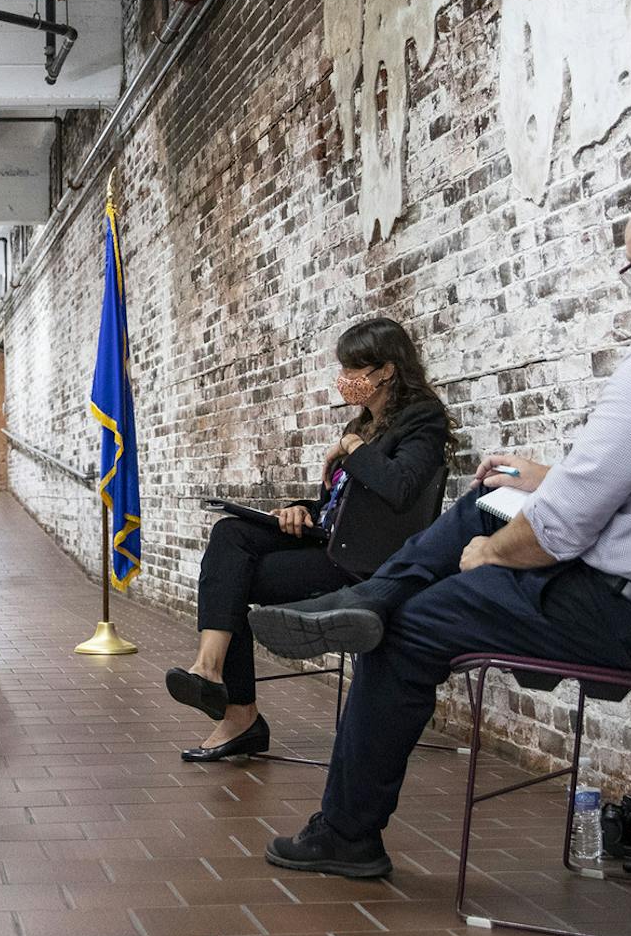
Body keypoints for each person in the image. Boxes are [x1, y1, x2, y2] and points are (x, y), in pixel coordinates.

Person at [247, 169, 631, 879]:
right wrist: (543, 483)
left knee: (408, 626)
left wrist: (488, 555)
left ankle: (346, 829)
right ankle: (367, 595)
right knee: (495, 491)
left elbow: (559, 531)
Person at [167, 318, 448, 763]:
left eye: (356, 369)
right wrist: (302, 509)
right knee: (230, 533)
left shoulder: (421, 419)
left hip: (364, 562)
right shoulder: (366, 425)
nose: (346, 380)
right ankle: (209, 670)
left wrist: (352, 448)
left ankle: (237, 709)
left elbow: (400, 489)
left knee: (232, 576)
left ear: (387, 371)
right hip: (331, 540)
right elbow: (344, 504)